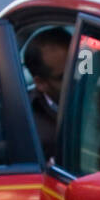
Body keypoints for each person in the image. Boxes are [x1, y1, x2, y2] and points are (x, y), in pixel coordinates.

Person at [24, 28, 70, 161]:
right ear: (41, 83)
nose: (77, 79)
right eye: (64, 77)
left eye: (78, 68)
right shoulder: (24, 122)